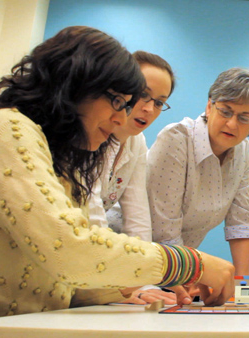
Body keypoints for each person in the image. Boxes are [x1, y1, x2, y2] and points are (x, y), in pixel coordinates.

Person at [0, 26, 234, 321]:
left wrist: (121, 291)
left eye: (126, 105)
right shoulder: (5, 128)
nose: (121, 117)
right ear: (74, 85)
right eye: (116, 101)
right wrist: (190, 262)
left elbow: (60, 278)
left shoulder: (64, 156)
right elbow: (69, 249)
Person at [147, 67, 249, 303]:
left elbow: (241, 223)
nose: (232, 124)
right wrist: (191, 275)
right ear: (209, 107)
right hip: (137, 264)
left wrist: (239, 288)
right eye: (226, 111)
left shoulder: (242, 151)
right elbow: (164, 230)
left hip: (179, 270)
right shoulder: (176, 139)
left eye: (244, 118)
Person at [87, 50, 177, 305]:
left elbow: (138, 221)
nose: (148, 108)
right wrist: (119, 289)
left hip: (98, 263)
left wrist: (146, 282)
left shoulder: (137, 143)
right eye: (143, 95)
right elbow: (91, 223)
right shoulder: (92, 135)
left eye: (159, 102)